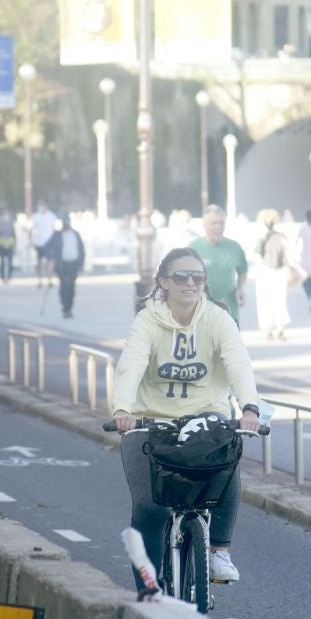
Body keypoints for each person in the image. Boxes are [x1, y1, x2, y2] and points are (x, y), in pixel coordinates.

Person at [110, 247, 262, 584]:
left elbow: (238, 362)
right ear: (164, 282)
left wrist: (249, 407)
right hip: (151, 422)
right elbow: (132, 363)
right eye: (181, 276)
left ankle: (219, 551)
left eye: (198, 276)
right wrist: (122, 409)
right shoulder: (148, 320)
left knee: (227, 457)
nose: (190, 283)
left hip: (206, 419)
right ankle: (149, 590)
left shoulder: (218, 319)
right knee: (150, 507)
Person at [189, 205, 248, 323]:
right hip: (202, 315)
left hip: (229, 312)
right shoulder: (193, 248)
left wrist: (240, 288)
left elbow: (243, 271)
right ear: (204, 225)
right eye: (213, 223)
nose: (218, 227)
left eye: (221, 223)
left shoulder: (234, 247)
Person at [252, 209, 292, 340]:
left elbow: (288, 253)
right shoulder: (260, 237)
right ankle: (268, 329)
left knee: (280, 300)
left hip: (278, 271)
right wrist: (263, 237)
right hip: (265, 271)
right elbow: (256, 252)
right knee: (266, 301)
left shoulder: (280, 236)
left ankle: (280, 328)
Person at [45, 214, 86, 318]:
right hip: (62, 264)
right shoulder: (57, 235)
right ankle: (65, 308)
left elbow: (81, 249)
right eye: (64, 222)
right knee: (64, 286)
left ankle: (69, 307)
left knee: (71, 287)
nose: (66, 224)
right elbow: (47, 247)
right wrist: (51, 256)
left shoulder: (76, 234)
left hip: (73, 264)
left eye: (67, 221)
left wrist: (81, 263)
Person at [31, 201, 58, 287]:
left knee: (50, 261)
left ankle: (50, 279)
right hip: (39, 242)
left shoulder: (51, 216)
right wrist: (31, 241)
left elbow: (54, 229)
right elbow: (32, 229)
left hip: (49, 242)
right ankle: (40, 280)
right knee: (39, 262)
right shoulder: (36, 216)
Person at [0, 206, 16, 285]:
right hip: (1, 244)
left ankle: (9, 277)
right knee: (2, 262)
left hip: (9, 243)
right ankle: (3, 278)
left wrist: (15, 243)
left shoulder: (10, 220)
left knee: (10, 262)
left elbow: (13, 232)